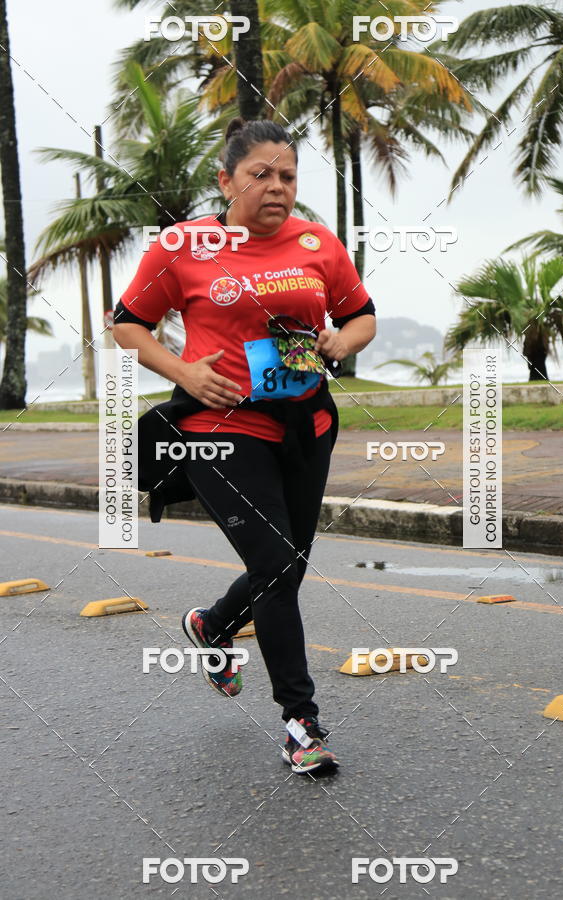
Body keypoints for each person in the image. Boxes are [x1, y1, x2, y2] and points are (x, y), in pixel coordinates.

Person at [113, 118, 376, 774]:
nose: (277, 186)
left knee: (284, 565)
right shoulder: (186, 246)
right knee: (280, 565)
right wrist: (183, 371)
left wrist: (345, 341)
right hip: (219, 427)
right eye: (260, 174)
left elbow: (361, 314)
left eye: (288, 175)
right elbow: (128, 325)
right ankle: (300, 722)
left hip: (306, 426)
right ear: (227, 180)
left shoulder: (318, 242)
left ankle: (212, 625)